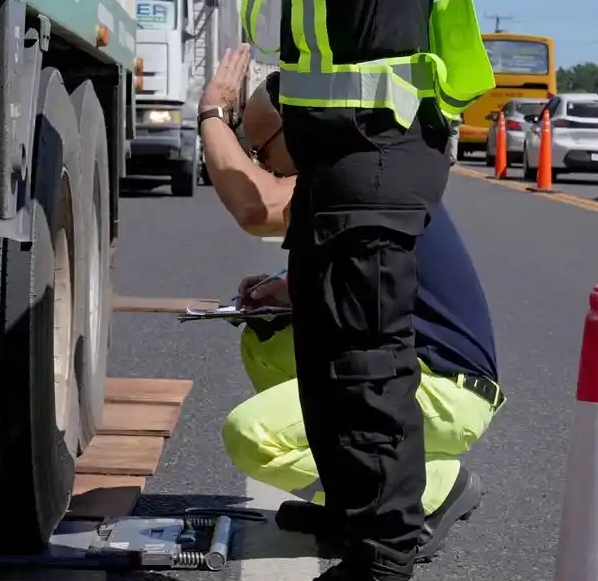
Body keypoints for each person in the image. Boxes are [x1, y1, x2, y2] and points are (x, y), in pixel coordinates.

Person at [231, 0, 495, 579]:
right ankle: (353, 516)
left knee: (368, 366)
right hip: (333, 169)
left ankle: (383, 556)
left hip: (379, 159)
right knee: (328, 352)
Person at [197, 47, 503, 565]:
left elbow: (256, 206)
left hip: (447, 388)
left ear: (296, 130)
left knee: (250, 437)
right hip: (409, 365)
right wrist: (287, 286)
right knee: (268, 341)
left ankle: (425, 489)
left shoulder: (355, 171)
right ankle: (348, 499)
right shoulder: (349, 168)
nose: (261, 164)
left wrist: (211, 114)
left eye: (261, 151)